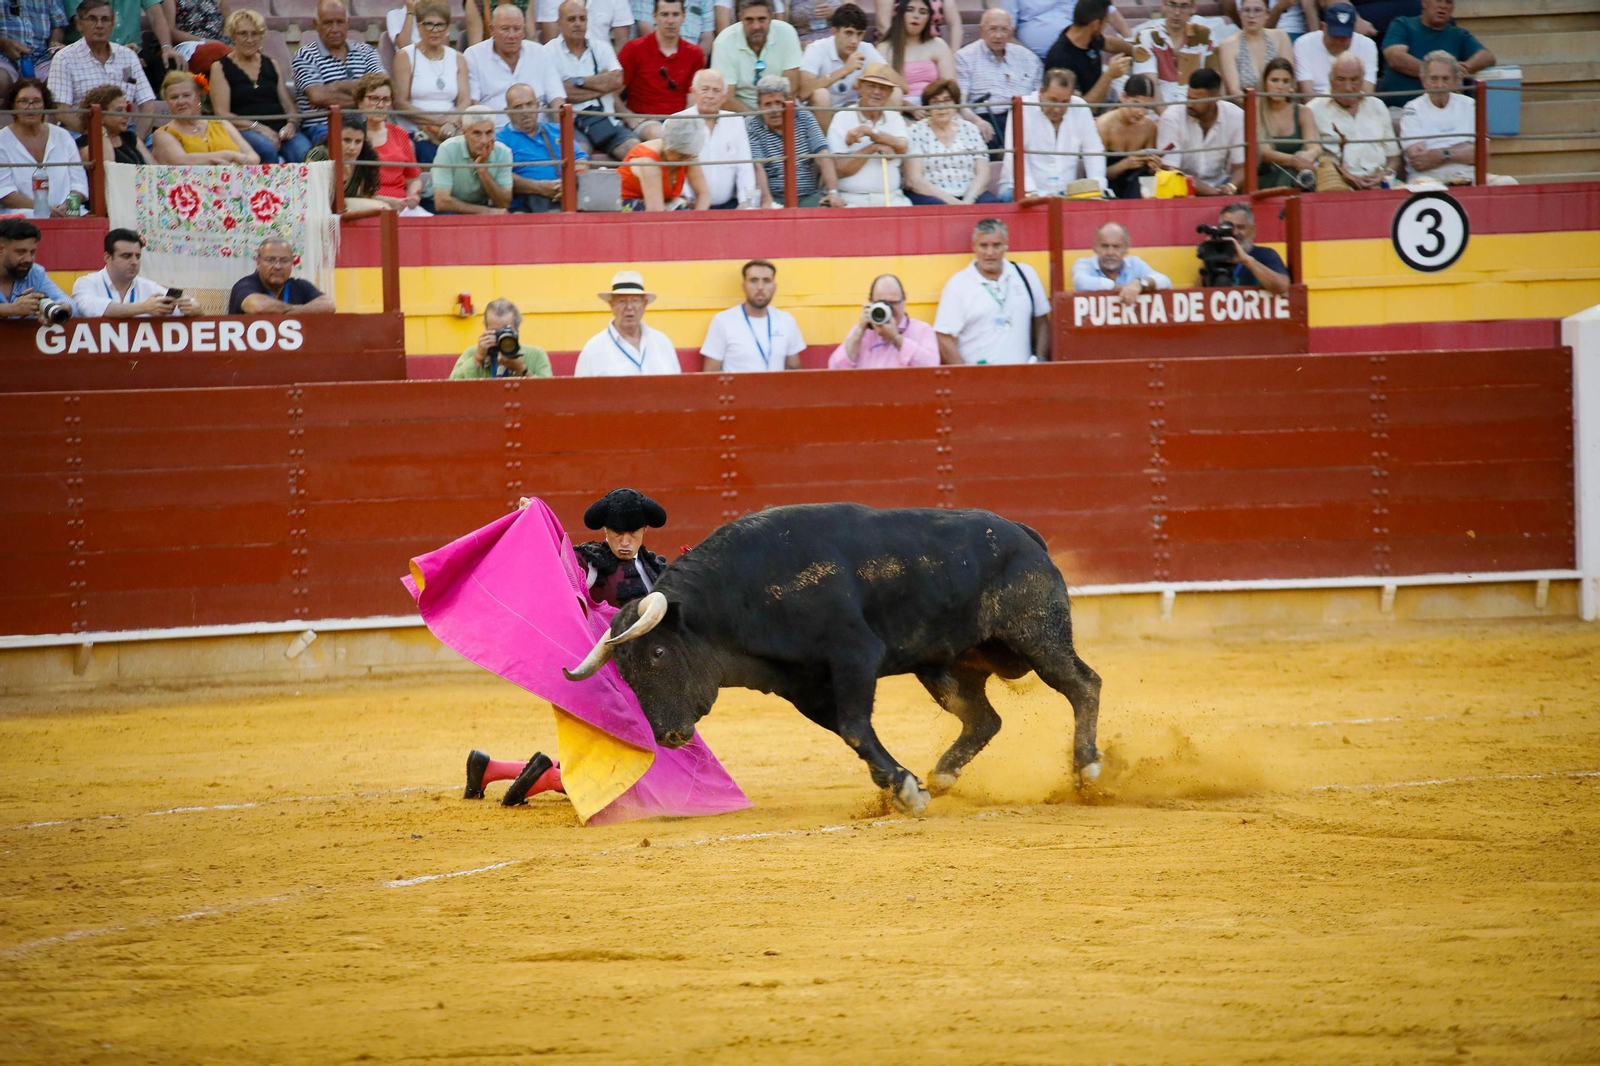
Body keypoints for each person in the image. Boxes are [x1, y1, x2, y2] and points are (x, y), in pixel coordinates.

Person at [463, 485, 672, 806]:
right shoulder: (589, 563)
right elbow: (549, 569)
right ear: (605, 530)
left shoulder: (658, 569)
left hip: (645, 683)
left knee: (631, 763)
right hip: (600, 681)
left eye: (632, 533)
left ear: (645, 529)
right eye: (617, 534)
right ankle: (550, 778)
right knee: (635, 774)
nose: (625, 542)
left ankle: (491, 768)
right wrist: (529, 524)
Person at [934, 217, 1049, 366]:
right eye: (983, 246)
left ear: (1006, 245)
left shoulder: (1026, 274)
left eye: (996, 245)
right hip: (980, 381)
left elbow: (1042, 321)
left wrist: (1040, 360)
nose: (990, 252)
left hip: (1024, 379)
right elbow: (943, 336)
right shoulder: (958, 285)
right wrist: (965, 377)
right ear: (974, 247)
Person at [209, 8, 309, 164]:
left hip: (280, 129)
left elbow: (288, 105)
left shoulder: (272, 64)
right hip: (245, 129)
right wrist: (259, 127)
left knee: (304, 153)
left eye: (254, 33)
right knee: (266, 149)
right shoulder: (220, 67)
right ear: (233, 36)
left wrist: (291, 124)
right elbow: (222, 114)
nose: (249, 39)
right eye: (243, 34)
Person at [1400, 50, 1511, 185]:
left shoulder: (1470, 105)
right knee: (1428, 188)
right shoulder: (1412, 108)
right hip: (1428, 177)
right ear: (1424, 80)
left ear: (1456, 81)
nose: (1440, 85)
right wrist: (1464, 149)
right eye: (1434, 79)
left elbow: (1482, 153)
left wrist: (1442, 155)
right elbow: (1418, 159)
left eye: (1445, 79)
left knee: (1507, 182)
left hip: (1468, 175)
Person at [545, 0, 638, 158]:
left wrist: (578, 82)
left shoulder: (601, 47)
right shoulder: (547, 52)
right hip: (571, 123)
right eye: (571, 19)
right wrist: (601, 86)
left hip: (605, 120)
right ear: (559, 22)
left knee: (636, 150)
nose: (578, 24)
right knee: (579, 154)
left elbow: (617, 80)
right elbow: (560, 94)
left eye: (582, 18)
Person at [46, 0, 156, 133]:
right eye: (92, 19)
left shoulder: (128, 56)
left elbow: (148, 104)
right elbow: (62, 111)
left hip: (126, 132)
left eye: (105, 20)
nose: (99, 25)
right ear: (79, 24)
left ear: (113, 24)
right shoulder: (64, 58)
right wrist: (98, 138)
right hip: (82, 133)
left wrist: (137, 141)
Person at [1002, 68, 1105, 200]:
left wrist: (1098, 188)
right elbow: (1014, 156)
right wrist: (1031, 192)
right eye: (1053, 100)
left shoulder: (1080, 107)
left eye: (1064, 102)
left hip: (1066, 193)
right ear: (1041, 91)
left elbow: (1094, 151)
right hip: (1019, 189)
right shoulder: (1022, 107)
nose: (1057, 109)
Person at [291, 0, 384, 146]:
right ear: (316, 24)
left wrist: (334, 87)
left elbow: (382, 87)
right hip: (324, 126)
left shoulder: (367, 52)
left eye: (340, 22)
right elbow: (318, 96)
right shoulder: (304, 55)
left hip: (367, 124)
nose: (335, 29)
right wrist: (365, 100)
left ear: (348, 23)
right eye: (328, 23)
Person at [392, 0, 472, 164]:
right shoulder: (405, 56)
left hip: (452, 129)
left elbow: (465, 100)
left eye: (440, 25)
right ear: (418, 26)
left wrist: (452, 124)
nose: (435, 30)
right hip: (418, 131)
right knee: (434, 157)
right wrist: (439, 121)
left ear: (447, 27)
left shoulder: (458, 58)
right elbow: (399, 102)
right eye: (428, 24)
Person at [466, 3, 568, 127]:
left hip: (538, 133)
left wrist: (565, 133)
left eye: (517, 29)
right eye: (505, 29)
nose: (512, 35)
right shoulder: (474, 56)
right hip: (495, 134)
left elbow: (557, 98)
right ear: (492, 29)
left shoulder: (541, 53)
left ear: (523, 30)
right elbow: (472, 105)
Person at [746, 76, 843, 206]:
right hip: (773, 195)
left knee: (828, 210)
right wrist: (767, 200)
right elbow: (757, 166)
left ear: (789, 102)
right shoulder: (752, 123)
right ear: (758, 106)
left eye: (778, 103)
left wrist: (833, 192)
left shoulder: (804, 117)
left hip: (808, 193)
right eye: (768, 104)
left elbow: (822, 155)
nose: (774, 110)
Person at [824, 61, 909, 207]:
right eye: (871, 86)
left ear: (889, 94)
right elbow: (839, 169)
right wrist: (872, 148)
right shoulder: (843, 117)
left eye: (883, 88)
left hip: (891, 198)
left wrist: (870, 132)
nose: (877, 92)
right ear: (860, 88)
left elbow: (902, 146)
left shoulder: (894, 117)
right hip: (851, 199)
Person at [1309, 52, 1398, 190]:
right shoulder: (1313, 110)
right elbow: (1312, 160)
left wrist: (1385, 174)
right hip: (1337, 187)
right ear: (1331, 80)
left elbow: (1393, 157)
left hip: (1379, 184)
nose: (1348, 87)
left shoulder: (1377, 106)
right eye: (1341, 79)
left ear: (1363, 81)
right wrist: (1343, 175)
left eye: (1354, 80)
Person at [1379, 0, 1492, 108]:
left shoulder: (1459, 35)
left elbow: (1487, 56)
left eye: (1448, 2)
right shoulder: (1403, 25)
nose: (1443, 6)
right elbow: (1395, 57)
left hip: (1445, 110)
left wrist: (1464, 67)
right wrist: (1435, 71)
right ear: (1424, 2)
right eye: (1438, 0)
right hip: (1400, 109)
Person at [955, 7, 1041, 149]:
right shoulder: (965, 57)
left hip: (1022, 119)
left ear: (1012, 31)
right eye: (993, 29)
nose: (999, 36)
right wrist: (977, 121)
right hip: (985, 118)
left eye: (1004, 30)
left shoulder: (1029, 59)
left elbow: (1039, 100)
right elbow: (961, 104)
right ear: (982, 30)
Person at [0, 80, 88, 217]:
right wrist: (44, 209)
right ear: (13, 106)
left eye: (36, 101)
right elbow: (5, 193)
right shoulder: (1, 140)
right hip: (22, 217)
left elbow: (79, 185)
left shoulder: (63, 136)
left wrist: (66, 207)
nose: (30, 107)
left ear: (45, 105)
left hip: (67, 214)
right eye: (23, 101)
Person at [676, 68, 761, 207]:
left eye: (716, 91)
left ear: (724, 97)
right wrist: (685, 202)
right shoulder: (677, 121)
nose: (710, 96)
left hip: (729, 206)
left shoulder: (736, 121)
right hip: (689, 206)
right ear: (693, 92)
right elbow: (673, 170)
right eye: (705, 89)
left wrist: (748, 204)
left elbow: (745, 168)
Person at [905, 79, 998, 205]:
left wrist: (969, 199)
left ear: (955, 104)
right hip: (932, 194)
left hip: (970, 193)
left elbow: (983, 173)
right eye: (935, 102)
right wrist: (951, 201)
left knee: (992, 206)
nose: (941, 107)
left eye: (946, 100)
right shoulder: (915, 131)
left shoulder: (970, 129)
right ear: (927, 107)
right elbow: (914, 180)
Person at [701, 259, 805, 372]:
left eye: (766, 281)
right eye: (753, 280)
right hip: (738, 390)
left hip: (777, 389)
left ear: (774, 287)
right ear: (744, 286)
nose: (760, 287)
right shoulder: (723, 321)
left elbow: (794, 369)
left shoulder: (786, 320)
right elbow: (710, 373)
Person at [617, 0, 704, 135]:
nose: (670, 21)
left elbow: (692, 99)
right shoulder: (634, 49)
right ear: (654, 16)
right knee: (659, 133)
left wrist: (686, 123)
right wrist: (627, 115)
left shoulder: (695, 53)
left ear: (684, 17)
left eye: (675, 14)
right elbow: (612, 92)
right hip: (646, 122)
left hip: (680, 122)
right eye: (664, 14)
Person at [500, 80, 589, 211]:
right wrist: (540, 187)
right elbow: (501, 176)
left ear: (537, 106)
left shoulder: (558, 130)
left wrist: (569, 184)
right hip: (527, 204)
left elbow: (581, 160)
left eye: (529, 104)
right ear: (507, 112)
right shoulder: (500, 140)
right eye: (518, 106)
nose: (525, 111)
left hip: (566, 198)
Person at [71, 228, 200, 318]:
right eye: (126, 256)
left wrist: (191, 307)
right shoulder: (86, 283)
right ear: (107, 257)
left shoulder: (149, 287)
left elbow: (195, 307)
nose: (134, 262)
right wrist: (144, 308)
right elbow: (90, 309)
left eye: (137, 256)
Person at [573, 270, 682, 375]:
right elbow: (580, 392)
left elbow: (678, 389)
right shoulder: (593, 350)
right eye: (622, 301)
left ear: (644, 304)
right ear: (611, 305)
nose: (629, 307)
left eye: (635, 300)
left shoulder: (663, 343)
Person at [1157, 67, 1244, 197]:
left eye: (1196, 100)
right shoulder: (1172, 118)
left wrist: (1231, 186)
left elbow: (1242, 166)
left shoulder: (1236, 116)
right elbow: (1170, 170)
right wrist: (1212, 193)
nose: (1189, 104)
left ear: (1215, 98)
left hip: (1223, 185)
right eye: (1188, 97)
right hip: (1182, 190)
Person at [829, 273, 938, 368]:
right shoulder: (860, 332)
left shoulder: (922, 330)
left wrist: (896, 339)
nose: (888, 309)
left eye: (892, 303)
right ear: (870, 301)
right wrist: (859, 332)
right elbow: (834, 368)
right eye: (881, 303)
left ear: (904, 300)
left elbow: (931, 367)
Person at [150, 70, 260, 165]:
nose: (181, 102)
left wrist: (233, 164)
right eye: (174, 97)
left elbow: (254, 157)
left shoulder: (222, 124)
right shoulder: (163, 133)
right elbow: (181, 160)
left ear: (199, 97)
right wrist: (229, 155)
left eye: (186, 95)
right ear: (167, 102)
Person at [709, 0, 800, 111]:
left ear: (772, 17)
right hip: (740, 112)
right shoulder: (723, 42)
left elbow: (791, 89)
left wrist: (775, 117)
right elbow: (726, 98)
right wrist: (758, 123)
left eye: (762, 19)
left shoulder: (787, 32)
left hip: (779, 108)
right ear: (740, 18)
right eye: (749, 20)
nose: (756, 26)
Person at [353, 72, 424, 210]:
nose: (380, 105)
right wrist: (386, 201)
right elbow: (351, 188)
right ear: (360, 103)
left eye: (386, 99)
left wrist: (413, 195)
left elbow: (413, 178)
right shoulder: (354, 136)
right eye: (374, 99)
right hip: (368, 206)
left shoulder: (400, 133)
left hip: (402, 207)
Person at [1043, 0, 1132, 106]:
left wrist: (1135, 50)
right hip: (1089, 114)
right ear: (1095, 24)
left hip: (1106, 96)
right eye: (1105, 22)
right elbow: (1081, 108)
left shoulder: (1087, 36)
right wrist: (1109, 75)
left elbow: (1109, 43)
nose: (1105, 27)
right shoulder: (1061, 59)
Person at [798, 3, 882, 114]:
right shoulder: (816, 49)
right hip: (824, 115)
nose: (854, 41)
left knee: (895, 92)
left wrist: (869, 76)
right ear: (834, 31)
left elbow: (902, 86)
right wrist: (845, 70)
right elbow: (803, 93)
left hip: (856, 112)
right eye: (848, 33)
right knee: (821, 95)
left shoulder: (867, 48)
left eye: (859, 34)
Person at [1130, 0, 1218, 105]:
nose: (1177, 12)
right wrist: (1168, 118)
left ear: (1193, 8)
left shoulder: (1205, 35)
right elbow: (1150, 85)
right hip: (1157, 112)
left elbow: (1213, 82)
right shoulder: (1145, 36)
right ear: (1163, 5)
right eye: (1172, 5)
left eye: (1184, 6)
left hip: (1196, 110)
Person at [431, 104, 514, 214]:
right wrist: (487, 212)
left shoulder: (504, 153)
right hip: (445, 208)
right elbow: (442, 202)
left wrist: (482, 170)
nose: (484, 140)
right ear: (464, 133)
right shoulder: (447, 149)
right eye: (477, 133)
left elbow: (504, 204)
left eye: (489, 133)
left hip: (478, 206)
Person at [617, 112, 708, 209]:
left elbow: (703, 194)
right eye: (681, 155)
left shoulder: (689, 154)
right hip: (625, 204)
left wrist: (697, 219)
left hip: (662, 203)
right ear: (667, 145)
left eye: (689, 155)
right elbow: (655, 210)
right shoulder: (648, 160)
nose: (686, 160)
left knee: (683, 209)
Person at [1256, 56, 1320, 188]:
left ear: (1292, 85)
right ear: (1265, 83)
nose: (1280, 87)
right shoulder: (1256, 110)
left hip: (1298, 172)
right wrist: (1294, 161)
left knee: (1302, 175)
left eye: (1285, 81)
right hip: (1267, 175)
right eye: (1274, 80)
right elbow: (1264, 153)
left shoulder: (1303, 112)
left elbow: (1314, 146)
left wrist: (1309, 155)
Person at [227, 238, 337, 315]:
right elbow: (258, 306)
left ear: (292, 263)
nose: (278, 266)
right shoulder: (245, 284)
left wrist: (285, 312)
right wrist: (299, 309)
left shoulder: (299, 285)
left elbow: (329, 305)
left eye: (284, 261)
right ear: (258, 262)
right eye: (270, 260)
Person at [450, 298, 554, 378]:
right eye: (495, 332)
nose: (500, 337)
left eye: (506, 331)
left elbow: (550, 393)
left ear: (517, 329)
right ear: (486, 329)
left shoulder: (535, 355)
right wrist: (477, 358)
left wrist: (522, 369)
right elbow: (451, 389)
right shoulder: (471, 353)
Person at [1071, 221, 1172, 303]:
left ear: (1126, 249)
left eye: (1116, 247)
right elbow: (1081, 282)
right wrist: (1123, 289)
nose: (1110, 252)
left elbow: (1166, 281)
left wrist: (1139, 284)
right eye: (1104, 246)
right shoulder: (1084, 264)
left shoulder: (1135, 264)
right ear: (1095, 248)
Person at [1001, 0, 1130, 61]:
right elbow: (1007, 33)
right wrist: (1031, 60)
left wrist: (1129, 37)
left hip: (1081, 48)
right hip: (1038, 59)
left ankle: (1138, 49)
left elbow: (1107, 9)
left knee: (1135, 50)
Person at [1097, 73, 1159, 200]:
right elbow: (1096, 174)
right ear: (1123, 97)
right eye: (1136, 103)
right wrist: (1124, 165)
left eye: (1146, 107)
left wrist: (1154, 168)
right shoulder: (1104, 126)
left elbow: (1149, 176)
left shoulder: (1150, 127)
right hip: (1107, 189)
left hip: (1138, 190)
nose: (1141, 112)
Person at [878, 0, 954, 104]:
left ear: (928, 18)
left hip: (934, 106)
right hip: (899, 109)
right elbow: (880, 91)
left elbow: (950, 86)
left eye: (923, 12)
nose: (916, 16)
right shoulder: (884, 48)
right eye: (910, 10)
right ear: (899, 14)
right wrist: (909, 108)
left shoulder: (939, 45)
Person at [1293, 2, 1376, 96]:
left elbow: (1367, 94)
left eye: (1344, 37)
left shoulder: (1367, 45)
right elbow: (1307, 94)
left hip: (1355, 104)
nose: (1339, 41)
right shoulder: (1304, 44)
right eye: (1335, 36)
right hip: (1316, 106)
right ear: (1323, 27)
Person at [306, 123, 389, 216]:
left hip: (347, 209)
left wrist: (394, 201)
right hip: (319, 210)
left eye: (358, 142)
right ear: (335, 138)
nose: (352, 148)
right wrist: (341, 179)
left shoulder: (364, 159)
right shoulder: (319, 155)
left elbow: (366, 196)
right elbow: (310, 195)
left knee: (386, 209)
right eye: (347, 140)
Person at [0, 218, 73, 320]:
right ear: (1, 250)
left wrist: (58, 310)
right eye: (21, 252)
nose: (28, 259)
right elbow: (13, 309)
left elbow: (69, 303)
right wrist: (10, 309)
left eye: (32, 252)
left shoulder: (35, 272)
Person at [1218, 0, 1293, 96]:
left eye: (1257, 10)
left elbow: (1290, 82)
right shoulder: (1227, 45)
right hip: (1246, 107)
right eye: (1246, 10)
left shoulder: (1281, 37)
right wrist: (1260, 108)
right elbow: (1234, 91)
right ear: (1240, 14)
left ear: (1267, 14)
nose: (1251, 15)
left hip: (1280, 103)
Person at [1212, 201, 1289, 293]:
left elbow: (1282, 287)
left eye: (1241, 227)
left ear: (1252, 230)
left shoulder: (1266, 254)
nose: (1235, 233)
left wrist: (1246, 260)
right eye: (1229, 228)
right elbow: (1196, 296)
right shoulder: (1217, 258)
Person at [0, 0, 67, 102]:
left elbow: (57, 24)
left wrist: (54, 46)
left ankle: (49, 117)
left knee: (58, 78)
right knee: (1, 80)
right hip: (3, 57)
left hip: (42, 57)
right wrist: (3, 43)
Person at [74, 84, 155, 167]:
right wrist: (102, 130)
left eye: (126, 109)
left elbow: (154, 167)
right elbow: (107, 167)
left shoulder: (130, 137)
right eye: (119, 110)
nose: (126, 115)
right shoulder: (83, 144)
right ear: (101, 115)